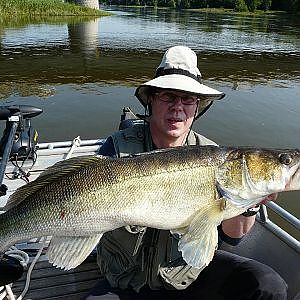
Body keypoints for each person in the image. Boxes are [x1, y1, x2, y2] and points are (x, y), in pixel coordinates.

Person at [85, 46, 287, 300]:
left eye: (188, 99)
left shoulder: (214, 156)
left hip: (186, 277)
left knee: (267, 285)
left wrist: (250, 205)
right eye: (169, 97)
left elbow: (232, 236)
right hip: (127, 281)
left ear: (197, 107)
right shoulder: (118, 148)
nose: (177, 108)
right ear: (151, 100)